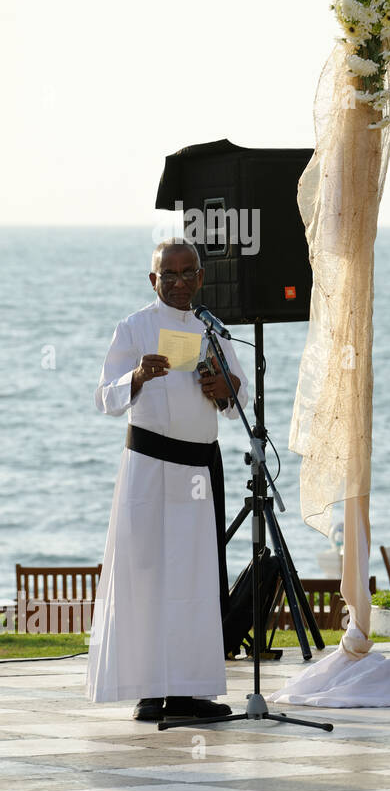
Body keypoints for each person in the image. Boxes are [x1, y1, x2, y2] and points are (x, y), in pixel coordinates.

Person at [86, 239, 247, 721]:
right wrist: (136, 376)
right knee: (148, 577)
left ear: (201, 279)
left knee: (195, 580)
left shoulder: (212, 330)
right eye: (168, 275)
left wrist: (224, 389)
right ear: (153, 281)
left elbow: (239, 396)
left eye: (187, 273)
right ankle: (148, 689)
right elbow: (103, 397)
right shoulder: (133, 328)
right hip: (150, 471)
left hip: (197, 473)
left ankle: (190, 691)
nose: (178, 283)